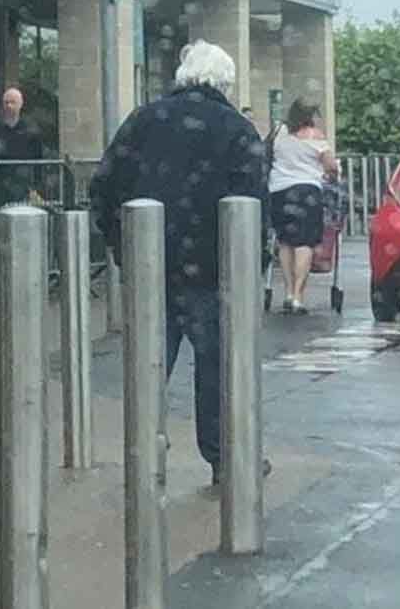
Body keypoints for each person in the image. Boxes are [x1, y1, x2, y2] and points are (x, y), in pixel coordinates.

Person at [89, 39, 271, 487]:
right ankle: (224, 458)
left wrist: (121, 245)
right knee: (218, 369)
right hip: (213, 268)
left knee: (148, 365)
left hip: (151, 263)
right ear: (225, 82)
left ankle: (144, 453)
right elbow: (254, 204)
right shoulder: (237, 129)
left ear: (183, 75)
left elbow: (103, 186)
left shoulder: (143, 120)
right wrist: (254, 264)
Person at [267, 97, 340, 314]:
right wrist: (332, 173)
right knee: (304, 244)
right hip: (306, 193)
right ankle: (299, 296)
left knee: (285, 243)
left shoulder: (278, 133)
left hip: (279, 192)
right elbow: (330, 166)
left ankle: (289, 293)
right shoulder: (315, 136)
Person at [0, 87, 44, 275]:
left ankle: (21, 262)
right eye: (5, 102)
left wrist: (37, 185)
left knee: (20, 221)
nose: (8, 106)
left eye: (12, 102)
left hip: (20, 184)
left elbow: (39, 159)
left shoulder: (30, 130)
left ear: (21, 105)